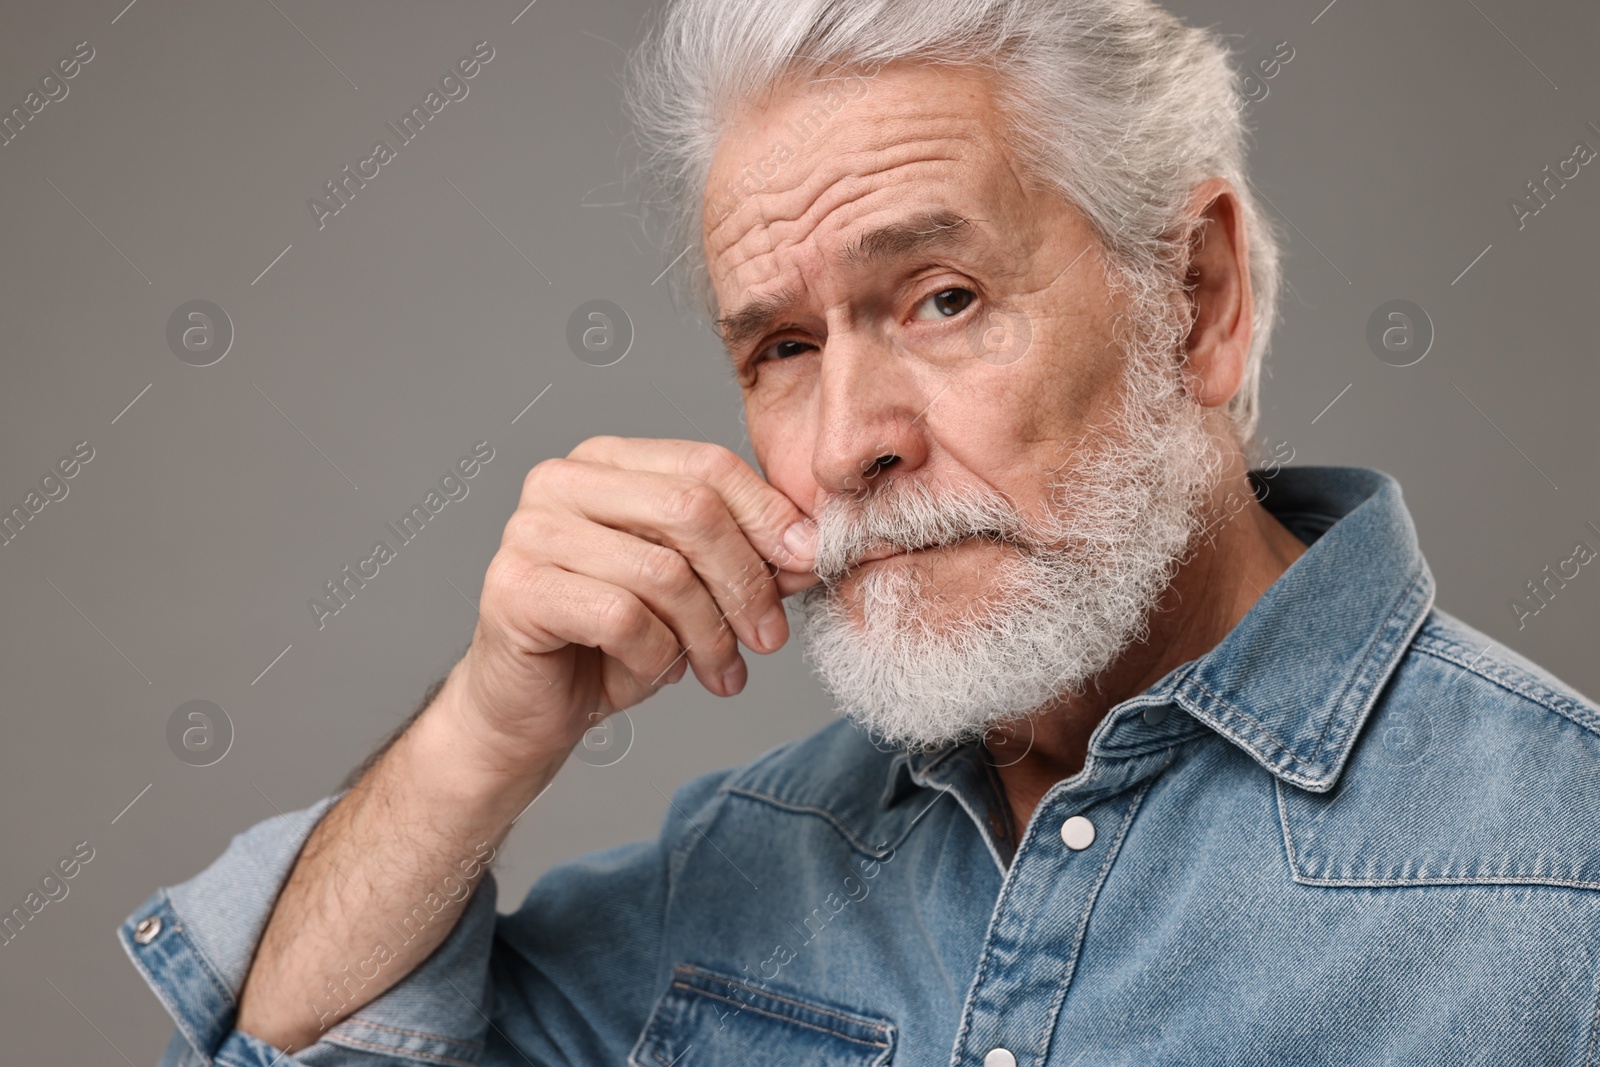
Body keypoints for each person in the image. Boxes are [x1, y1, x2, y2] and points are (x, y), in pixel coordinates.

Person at [119, 1, 1600, 1064]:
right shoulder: (750, 858)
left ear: (1196, 300)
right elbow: (298, 1042)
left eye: (941, 297)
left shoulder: (1566, 876)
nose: (849, 442)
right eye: (780, 348)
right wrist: (490, 727)